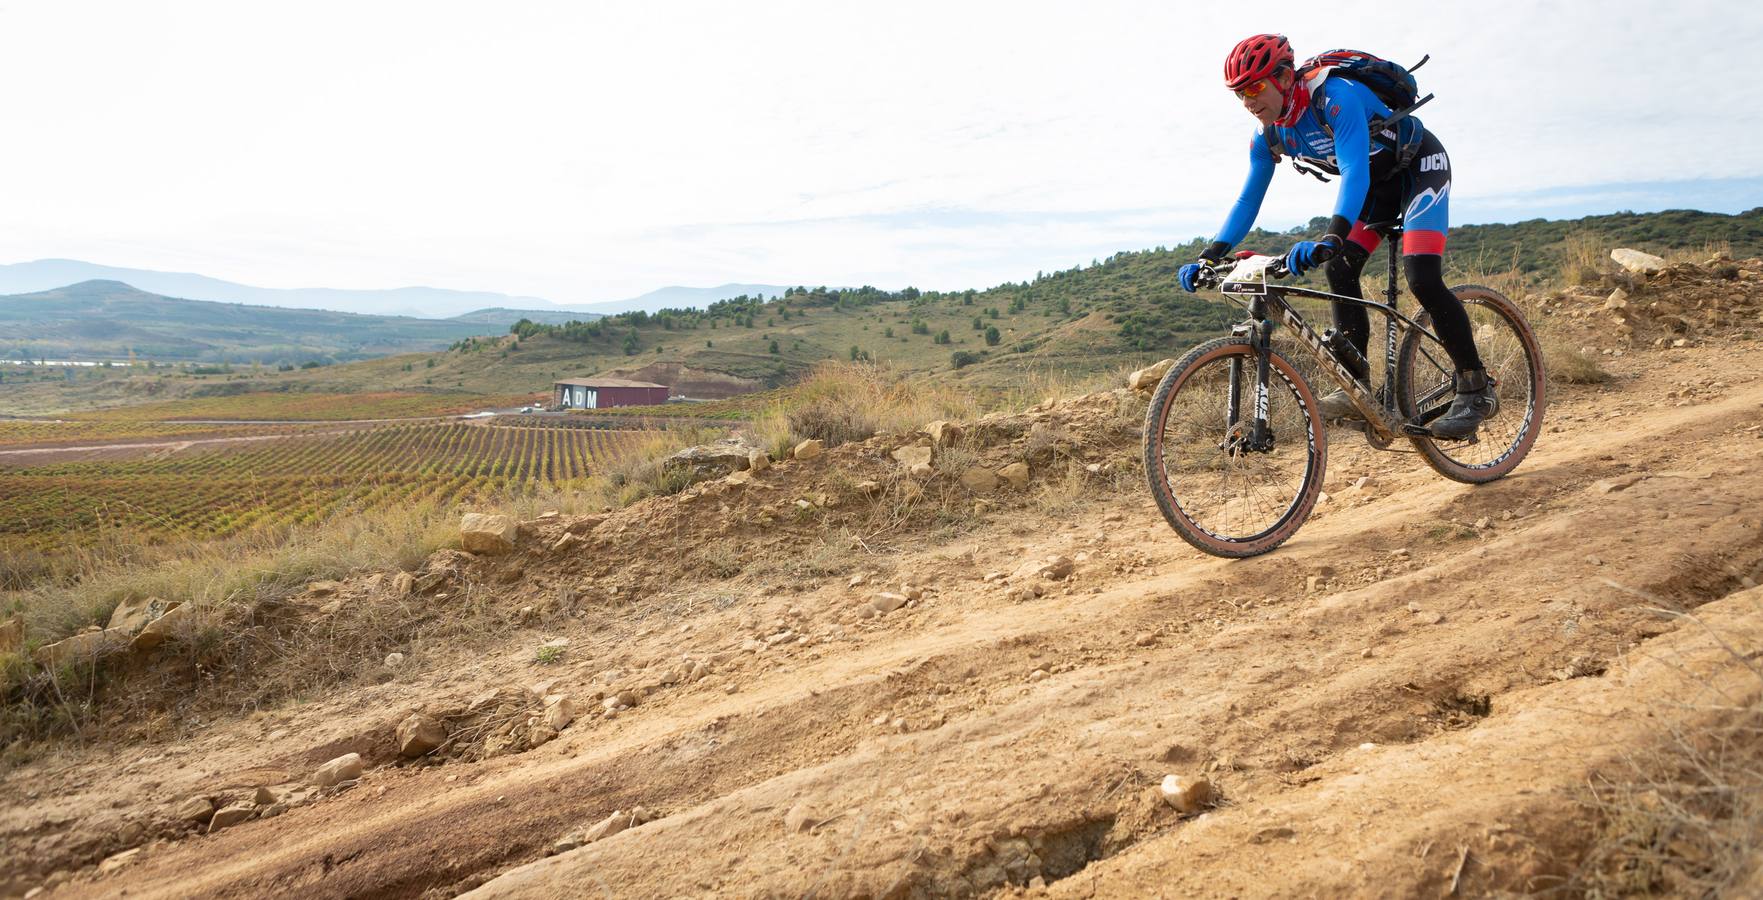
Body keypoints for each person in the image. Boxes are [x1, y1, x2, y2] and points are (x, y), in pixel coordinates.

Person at [1176, 34, 1493, 440]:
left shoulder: (1334, 97)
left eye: (1254, 87)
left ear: (1285, 77)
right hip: (1376, 192)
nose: (1248, 101)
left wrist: (1331, 236)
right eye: (1239, 94)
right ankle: (1357, 382)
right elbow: (1247, 200)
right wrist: (1210, 254)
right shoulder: (1269, 134)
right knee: (1340, 269)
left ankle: (1475, 387)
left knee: (1422, 277)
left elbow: (1355, 170)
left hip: (1419, 170)